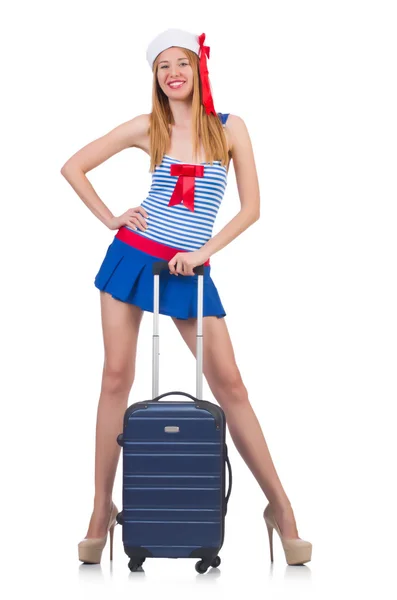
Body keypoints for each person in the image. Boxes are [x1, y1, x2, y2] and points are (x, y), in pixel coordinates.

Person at [61, 28, 312, 567]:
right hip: (133, 257)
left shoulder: (230, 129)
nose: (173, 72)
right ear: (155, 78)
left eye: (182, 63)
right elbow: (72, 166)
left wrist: (202, 253)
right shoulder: (146, 128)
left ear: (199, 70)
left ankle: (281, 508)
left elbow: (251, 209)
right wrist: (112, 218)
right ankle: (100, 514)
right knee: (115, 379)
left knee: (232, 387)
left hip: (188, 267)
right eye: (162, 66)